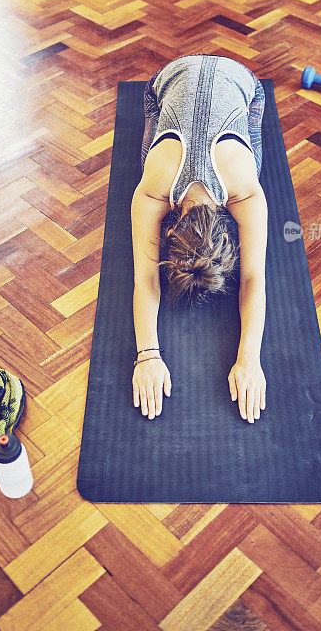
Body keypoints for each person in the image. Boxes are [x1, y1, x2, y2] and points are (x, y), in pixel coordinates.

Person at [131, 54, 268, 425]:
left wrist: (249, 359)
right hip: (168, 77)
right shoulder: (153, 190)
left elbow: (254, 278)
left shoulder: (245, 190)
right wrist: (148, 355)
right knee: (148, 156)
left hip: (241, 82)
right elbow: (145, 276)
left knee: (257, 163)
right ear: (169, 229)